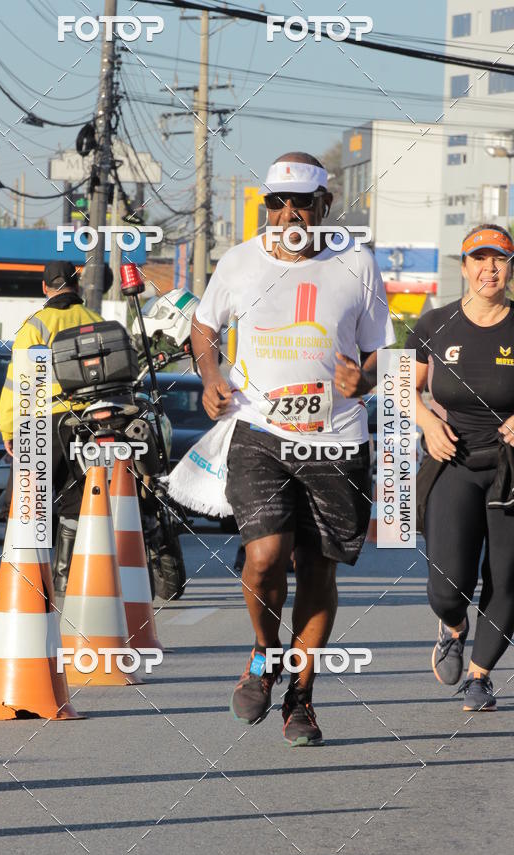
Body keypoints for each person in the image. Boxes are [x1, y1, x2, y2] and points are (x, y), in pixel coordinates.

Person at [191, 151, 394, 746]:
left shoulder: (357, 263)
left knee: (318, 568)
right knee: (264, 556)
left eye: (301, 202)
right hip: (261, 432)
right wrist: (210, 374)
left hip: (337, 439)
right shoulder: (239, 261)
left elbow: (386, 350)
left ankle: (301, 699)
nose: (287, 214)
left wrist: (367, 378)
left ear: (324, 204)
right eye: (276, 203)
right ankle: (263, 653)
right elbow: (204, 327)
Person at [405, 224, 514, 711]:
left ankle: (480, 676)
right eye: (480, 259)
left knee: (507, 578)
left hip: (510, 470)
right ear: (465, 267)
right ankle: (453, 625)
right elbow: (400, 386)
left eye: (500, 259)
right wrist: (428, 421)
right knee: (447, 583)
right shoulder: (435, 323)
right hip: (453, 461)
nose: (490, 268)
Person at [0, 261, 103, 597]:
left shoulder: (35, 326)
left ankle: (21, 576)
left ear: (45, 287)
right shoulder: (98, 322)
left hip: (42, 423)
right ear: (77, 286)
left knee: (28, 500)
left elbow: (19, 384)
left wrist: (7, 427)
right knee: (76, 500)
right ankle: (66, 576)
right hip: (89, 423)